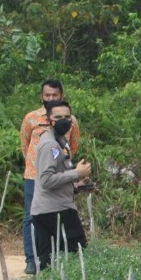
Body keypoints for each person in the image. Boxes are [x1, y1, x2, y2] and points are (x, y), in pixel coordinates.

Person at [20, 79, 81, 275]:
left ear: (61, 96)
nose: (50, 98)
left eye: (54, 95)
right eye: (47, 95)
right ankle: (32, 259)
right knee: (32, 216)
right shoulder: (31, 118)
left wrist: (64, 166)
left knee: (55, 216)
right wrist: (35, 163)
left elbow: (72, 146)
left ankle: (55, 259)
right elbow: (25, 143)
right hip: (33, 174)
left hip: (59, 175)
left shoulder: (70, 120)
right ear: (42, 96)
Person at [30, 100, 92, 271]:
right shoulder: (50, 144)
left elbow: (57, 173)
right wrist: (77, 173)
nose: (64, 120)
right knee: (75, 256)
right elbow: (47, 180)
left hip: (52, 209)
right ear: (49, 120)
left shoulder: (59, 141)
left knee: (50, 262)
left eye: (67, 116)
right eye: (58, 117)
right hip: (54, 211)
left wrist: (75, 184)